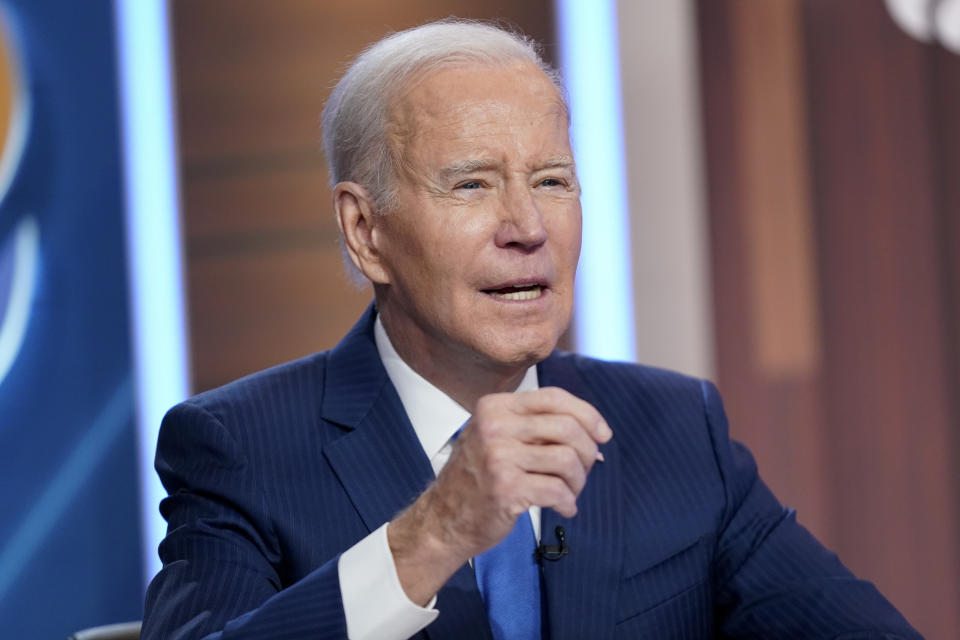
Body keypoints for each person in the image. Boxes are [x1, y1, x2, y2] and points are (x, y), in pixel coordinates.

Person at [141, 19, 921, 640]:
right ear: (365, 230)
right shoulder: (237, 448)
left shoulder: (675, 429)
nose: (526, 227)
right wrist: (434, 533)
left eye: (551, 181)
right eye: (472, 184)